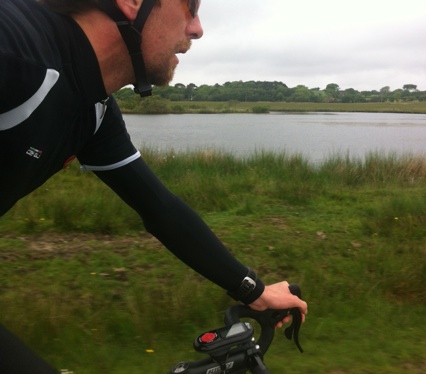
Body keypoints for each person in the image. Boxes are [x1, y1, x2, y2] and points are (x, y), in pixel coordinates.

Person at [0, 0, 308, 372]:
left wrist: (254, 292)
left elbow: (159, 207)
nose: (197, 29)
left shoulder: (94, 109)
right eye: (190, 7)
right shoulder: (16, 47)